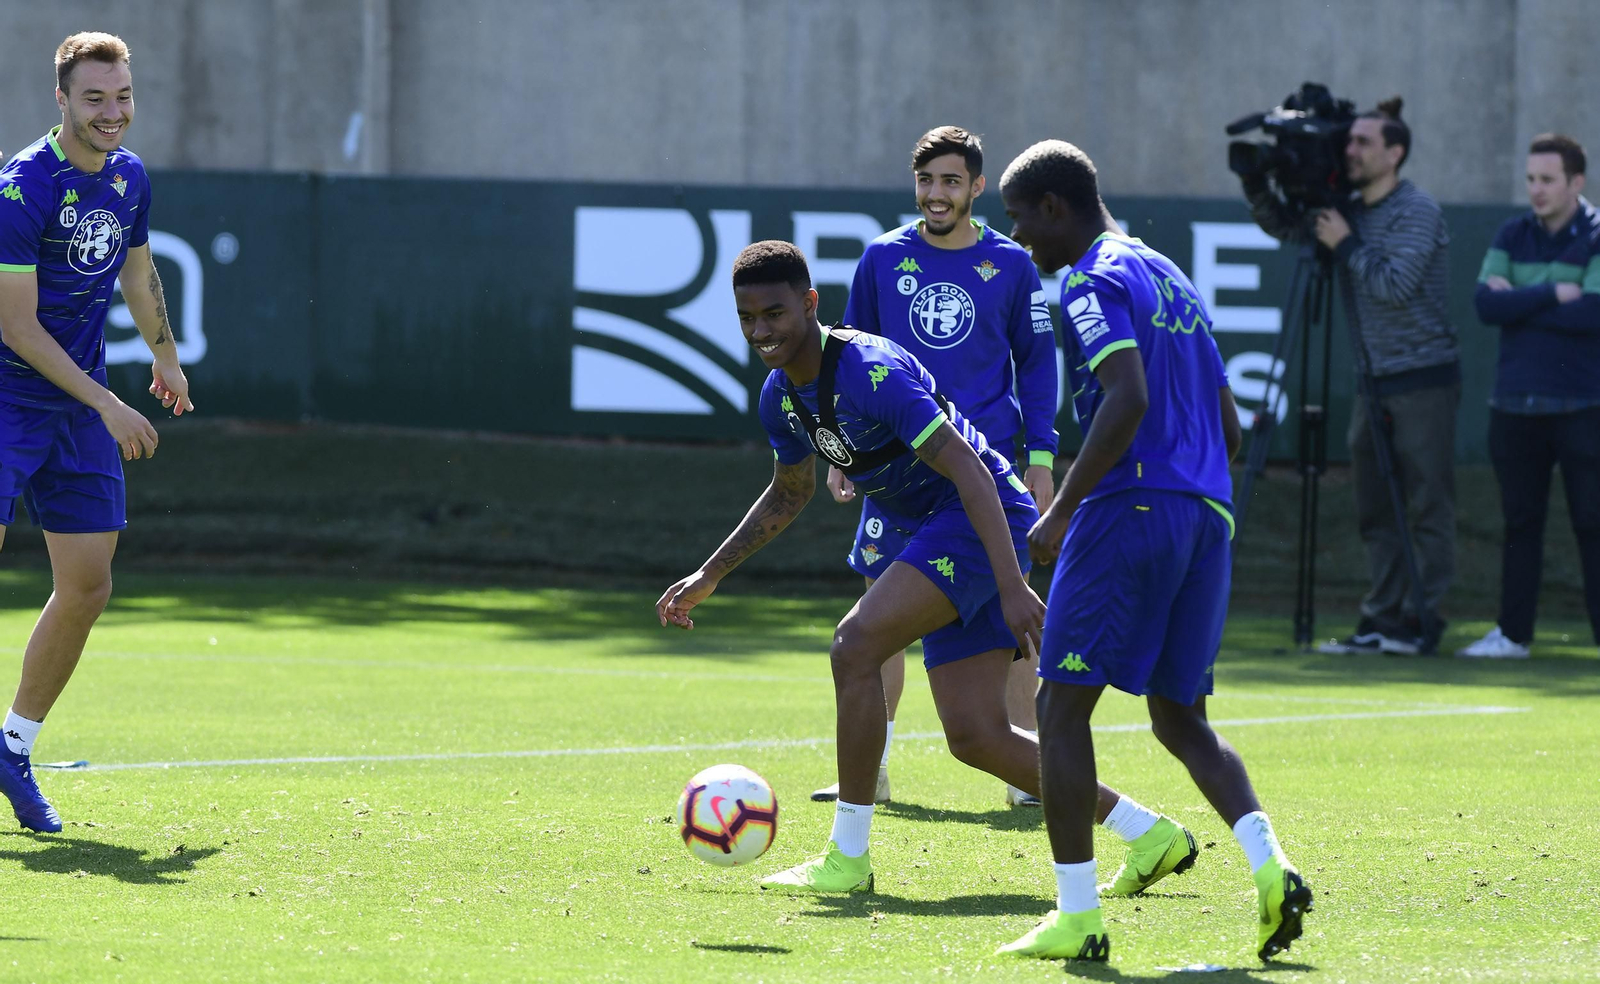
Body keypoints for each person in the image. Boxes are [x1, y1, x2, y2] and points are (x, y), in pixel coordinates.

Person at [658, 241, 1197, 895]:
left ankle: (847, 859)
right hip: (944, 529)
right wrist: (711, 574)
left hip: (980, 515)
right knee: (976, 737)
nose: (760, 331)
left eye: (774, 313)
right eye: (747, 318)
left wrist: (1011, 586)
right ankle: (1149, 833)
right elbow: (789, 493)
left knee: (854, 646)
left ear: (809, 303)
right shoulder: (781, 397)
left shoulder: (870, 370)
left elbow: (971, 470)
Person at [995, 140, 1310, 962]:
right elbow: (1229, 426)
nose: (1020, 238)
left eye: (1021, 219)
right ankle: (1272, 868)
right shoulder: (1172, 278)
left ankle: (1077, 917)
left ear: (1054, 206)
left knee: (1059, 708)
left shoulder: (1090, 280)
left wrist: (1062, 511)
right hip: (1207, 515)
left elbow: (1127, 396)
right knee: (1179, 716)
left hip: (1130, 506)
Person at [812, 125, 1058, 808]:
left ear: (977, 186)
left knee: (1013, 614)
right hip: (897, 470)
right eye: (926, 181)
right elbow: (845, 356)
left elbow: (1038, 367)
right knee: (877, 614)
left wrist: (1040, 459)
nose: (937, 194)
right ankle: (872, 768)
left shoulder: (1011, 265)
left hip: (985, 471)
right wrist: (839, 447)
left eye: (951, 181)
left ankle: (1029, 773)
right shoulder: (882, 258)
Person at [0, 32, 194, 832]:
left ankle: (12, 747)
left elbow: (138, 273)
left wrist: (165, 356)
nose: (112, 113)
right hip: (8, 401)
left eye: (122, 97)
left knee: (87, 585)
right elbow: (17, 329)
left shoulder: (129, 176)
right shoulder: (22, 189)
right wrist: (109, 404)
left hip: (76, 410)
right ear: (61, 100)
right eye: (94, 98)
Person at [1246, 97, 1460, 656]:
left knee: (1426, 504)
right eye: (1349, 141)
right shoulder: (1348, 208)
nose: (1351, 151)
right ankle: (1381, 620)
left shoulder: (1416, 209)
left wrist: (1346, 243)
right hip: (1371, 379)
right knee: (1375, 508)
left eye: (1364, 142)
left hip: (1422, 377)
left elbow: (1394, 285)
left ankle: (1419, 620)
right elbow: (1287, 228)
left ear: (1395, 153)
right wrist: (1256, 184)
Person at [1459, 133, 1600, 659]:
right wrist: (1552, 293)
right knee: (1521, 524)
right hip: (1514, 406)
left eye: (1547, 180)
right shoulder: (1511, 233)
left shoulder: (1597, 234)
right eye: (1530, 180)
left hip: (1584, 406)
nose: (1536, 190)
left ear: (1576, 182)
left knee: (1593, 523)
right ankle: (1513, 636)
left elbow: (1593, 313)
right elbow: (1485, 306)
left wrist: (1518, 301)